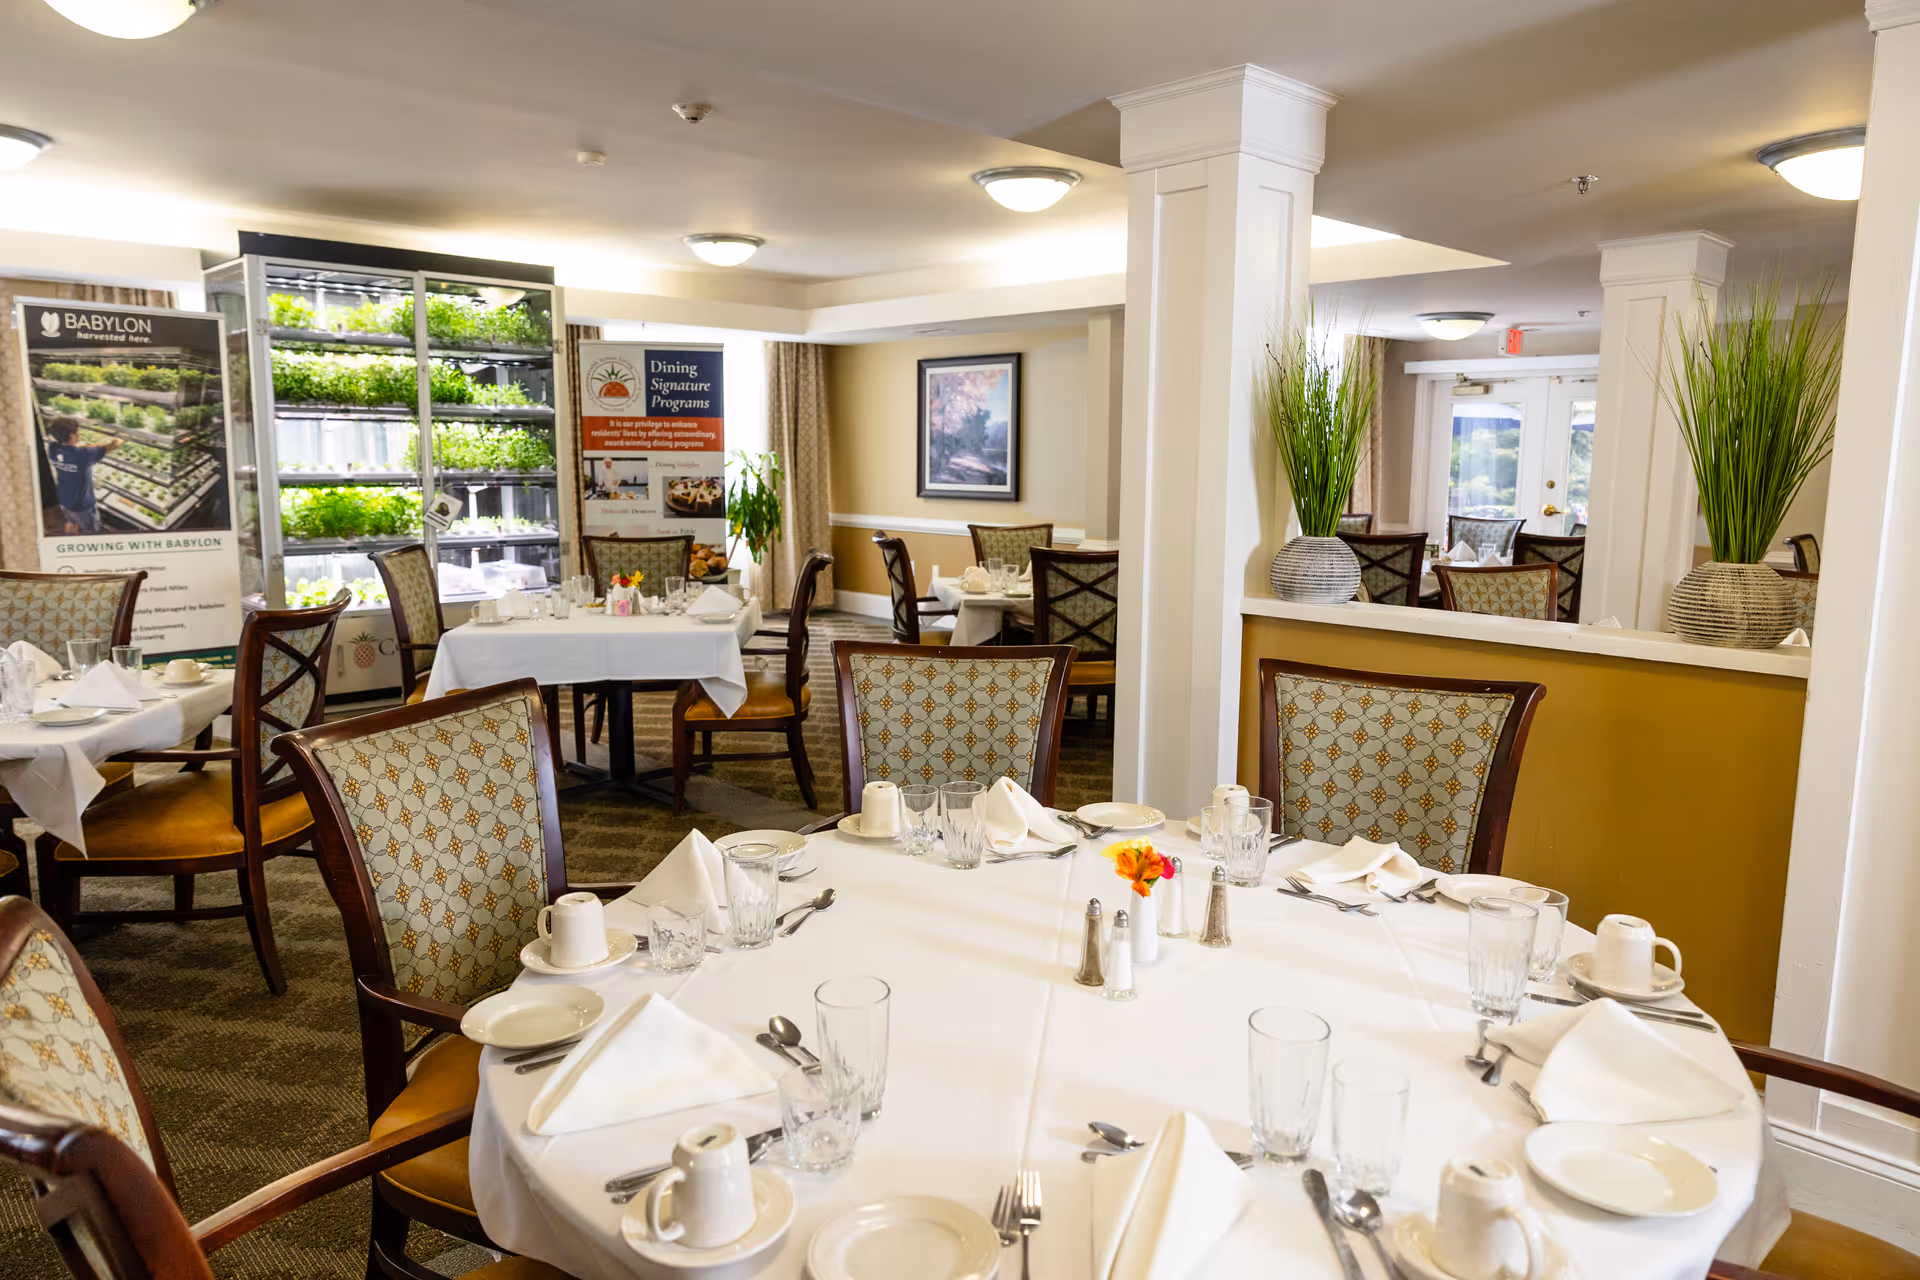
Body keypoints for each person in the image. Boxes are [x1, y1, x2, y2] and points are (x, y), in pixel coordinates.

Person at [44, 416, 118, 534]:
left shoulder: (53, 449)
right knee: (91, 529)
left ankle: (70, 540)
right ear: (72, 436)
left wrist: (90, 446)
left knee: (71, 521)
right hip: (82, 505)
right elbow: (113, 446)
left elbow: (77, 451)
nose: (80, 434)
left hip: (64, 499)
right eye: (78, 432)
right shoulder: (84, 456)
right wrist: (122, 438)